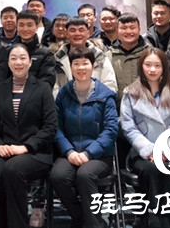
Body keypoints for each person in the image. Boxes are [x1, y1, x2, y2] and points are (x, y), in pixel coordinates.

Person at [0, 44, 57, 228]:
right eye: (13, 58)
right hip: (6, 149)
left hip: (36, 152)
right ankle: (4, 223)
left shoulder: (42, 88)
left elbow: (50, 127)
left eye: (23, 58)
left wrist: (26, 147)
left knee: (13, 170)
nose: (18, 62)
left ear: (30, 62)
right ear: (8, 63)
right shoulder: (0, 89)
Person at [120, 47, 170, 228]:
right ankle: (166, 219)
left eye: (157, 65)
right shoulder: (130, 93)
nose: (152, 69)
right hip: (142, 153)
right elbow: (128, 127)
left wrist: (168, 150)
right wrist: (150, 151)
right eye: (148, 65)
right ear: (141, 66)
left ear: (164, 67)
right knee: (152, 169)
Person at [51, 46, 118, 228]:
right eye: (76, 63)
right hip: (70, 152)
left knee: (85, 174)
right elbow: (57, 128)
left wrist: (89, 153)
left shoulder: (105, 95)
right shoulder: (64, 93)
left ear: (93, 66)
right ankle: (80, 217)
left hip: (99, 155)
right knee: (58, 176)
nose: (81, 68)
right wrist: (69, 151)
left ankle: (93, 224)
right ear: (71, 67)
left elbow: (111, 129)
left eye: (85, 63)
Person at [53, 17, 117, 97]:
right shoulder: (57, 60)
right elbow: (54, 88)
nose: (77, 33)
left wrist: (94, 102)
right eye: (72, 30)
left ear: (88, 33)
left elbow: (110, 85)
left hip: (96, 103)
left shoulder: (100, 57)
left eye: (81, 30)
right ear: (66, 34)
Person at [15, 10, 56, 88]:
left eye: (29, 25)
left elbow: (47, 82)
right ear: (16, 27)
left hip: (37, 94)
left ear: (37, 27)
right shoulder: (9, 51)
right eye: (21, 25)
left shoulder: (46, 53)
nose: (25, 29)